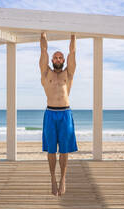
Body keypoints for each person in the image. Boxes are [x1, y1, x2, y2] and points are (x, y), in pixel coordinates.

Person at [39, 31, 78, 196]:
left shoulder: (68, 74)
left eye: (60, 57)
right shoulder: (45, 73)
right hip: (50, 114)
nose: (58, 59)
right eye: (55, 57)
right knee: (51, 151)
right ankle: (52, 179)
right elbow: (43, 51)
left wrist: (73, 36)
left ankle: (62, 178)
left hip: (65, 114)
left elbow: (73, 53)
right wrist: (43, 35)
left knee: (64, 150)